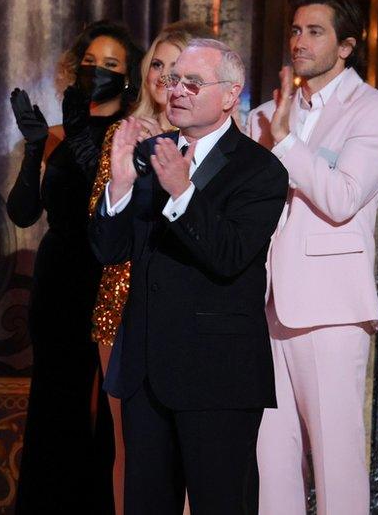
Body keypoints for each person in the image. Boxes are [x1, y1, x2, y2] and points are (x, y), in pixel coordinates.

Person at [90, 38, 288, 514]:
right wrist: (118, 184)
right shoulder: (150, 155)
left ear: (229, 95)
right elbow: (109, 250)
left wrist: (182, 191)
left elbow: (229, 256)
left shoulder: (259, 170)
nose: (176, 90)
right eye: (173, 79)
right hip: (145, 370)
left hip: (217, 375)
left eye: (192, 82)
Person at [248, 0, 378, 515]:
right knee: (272, 457)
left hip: (331, 307)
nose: (299, 41)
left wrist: (286, 143)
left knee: (336, 459)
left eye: (314, 32)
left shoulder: (374, 112)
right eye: (294, 30)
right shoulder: (264, 114)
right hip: (264, 304)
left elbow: (341, 198)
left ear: (346, 47)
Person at [6, 20, 143, 514]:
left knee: (107, 408)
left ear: (129, 79)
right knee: (54, 399)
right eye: (90, 63)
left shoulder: (135, 136)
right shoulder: (58, 135)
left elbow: (108, 205)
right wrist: (33, 146)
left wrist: (84, 138)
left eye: (111, 65)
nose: (97, 72)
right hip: (59, 274)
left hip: (109, 276)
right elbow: (23, 212)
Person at [86, 21, 215, 513]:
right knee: (131, 449)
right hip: (120, 304)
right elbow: (103, 222)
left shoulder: (219, 143)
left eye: (176, 66)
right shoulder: (126, 133)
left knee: (190, 448)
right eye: (156, 65)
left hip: (188, 309)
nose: (164, 76)